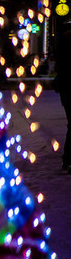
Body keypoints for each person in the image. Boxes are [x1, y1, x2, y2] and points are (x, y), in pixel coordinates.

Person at [54, 20, 71, 171]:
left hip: (65, 89)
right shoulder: (65, 49)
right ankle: (68, 160)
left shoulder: (61, 48)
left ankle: (67, 159)